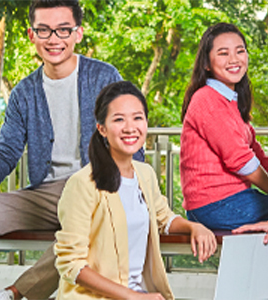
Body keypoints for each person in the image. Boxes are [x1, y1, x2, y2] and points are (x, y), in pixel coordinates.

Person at [0, 1, 143, 299]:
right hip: (47, 193)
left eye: (63, 29)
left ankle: (15, 293)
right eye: (44, 30)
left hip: (98, 188)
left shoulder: (104, 77)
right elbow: (5, 152)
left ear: (78, 33)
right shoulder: (24, 93)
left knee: (90, 226)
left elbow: (130, 140)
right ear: (32, 34)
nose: (54, 39)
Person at [54, 81, 217, 300]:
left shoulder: (145, 173)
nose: (130, 128)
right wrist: (131, 296)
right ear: (101, 128)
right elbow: (71, 264)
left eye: (137, 118)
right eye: (119, 119)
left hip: (142, 294)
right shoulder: (82, 184)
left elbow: (164, 218)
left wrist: (193, 226)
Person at [180, 22, 268, 245]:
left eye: (240, 51)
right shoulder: (207, 100)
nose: (234, 59)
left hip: (231, 201)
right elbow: (242, 162)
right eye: (223, 53)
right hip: (213, 206)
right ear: (206, 63)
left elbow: (257, 155)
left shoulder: (231, 102)